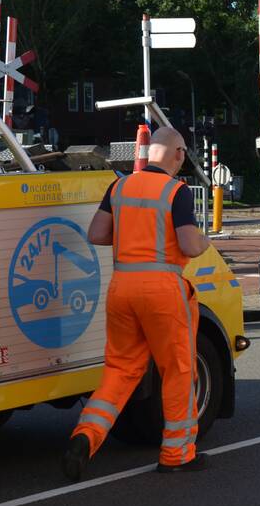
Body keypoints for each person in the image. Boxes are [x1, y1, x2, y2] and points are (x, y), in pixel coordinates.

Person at [62, 127, 211, 481]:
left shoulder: (120, 186)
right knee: (177, 369)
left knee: (120, 370)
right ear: (177, 154)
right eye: (183, 154)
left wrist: (132, 233)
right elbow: (189, 245)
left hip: (122, 288)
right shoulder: (176, 191)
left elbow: (97, 234)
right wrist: (203, 240)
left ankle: (85, 437)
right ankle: (176, 454)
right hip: (162, 291)